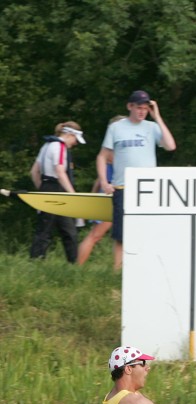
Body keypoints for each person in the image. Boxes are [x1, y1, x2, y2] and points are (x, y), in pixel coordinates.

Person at [96, 90, 177, 271]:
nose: (142, 112)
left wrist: (157, 117)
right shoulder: (116, 127)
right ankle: (117, 271)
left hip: (148, 188)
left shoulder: (152, 127)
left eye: (145, 109)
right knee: (121, 234)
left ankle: (146, 268)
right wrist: (104, 181)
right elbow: (102, 156)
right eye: (139, 108)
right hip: (123, 186)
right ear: (130, 107)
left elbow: (171, 146)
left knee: (148, 231)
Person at [29, 121, 85, 262]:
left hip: (46, 187)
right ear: (69, 134)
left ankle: (38, 261)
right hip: (57, 190)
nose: (75, 143)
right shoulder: (60, 147)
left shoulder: (46, 145)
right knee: (63, 232)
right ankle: (72, 263)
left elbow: (34, 171)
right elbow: (60, 172)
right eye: (75, 139)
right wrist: (73, 195)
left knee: (50, 229)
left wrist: (42, 189)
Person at [77, 116, 125, 265]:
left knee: (120, 236)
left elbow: (98, 179)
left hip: (111, 193)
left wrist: (93, 195)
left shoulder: (115, 147)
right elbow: (104, 176)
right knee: (96, 235)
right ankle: (76, 268)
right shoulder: (112, 149)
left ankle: (118, 271)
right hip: (110, 193)